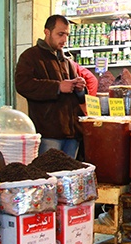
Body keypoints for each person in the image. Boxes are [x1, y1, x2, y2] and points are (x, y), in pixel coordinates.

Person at [15, 15, 87, 158]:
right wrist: (57, 87)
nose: (64, 39)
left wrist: (80, 89)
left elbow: (78, 96)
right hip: (49, 132)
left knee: (68, 176)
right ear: (47, 32)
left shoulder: (66, 61)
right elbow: (23, 85)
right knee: (50, 175)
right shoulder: (30, 57)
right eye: (60, 34)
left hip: (72, 132)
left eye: (67, 34)